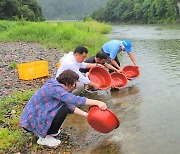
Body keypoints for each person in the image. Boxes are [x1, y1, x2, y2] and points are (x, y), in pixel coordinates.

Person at [20, 69, 107, 147]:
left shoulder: (54, 85)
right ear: (68, 83)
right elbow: (75, 100)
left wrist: (86, 115)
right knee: (63, 110)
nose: (74, 86)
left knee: (64, 107)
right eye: (74, 83)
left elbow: (69, 105)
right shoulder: (55, 89)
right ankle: (44, 138)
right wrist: (97, 102)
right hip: (31, 122)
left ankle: (50, 132)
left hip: (32, 119)